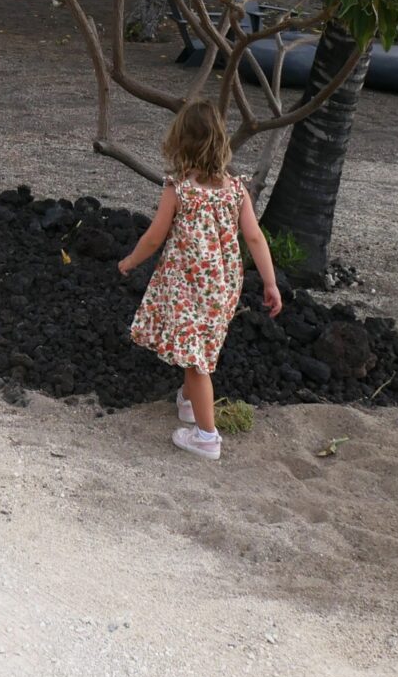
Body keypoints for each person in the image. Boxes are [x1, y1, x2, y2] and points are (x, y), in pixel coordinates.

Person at [118, 98, 283, 461]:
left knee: (196, 361)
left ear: (180, 143)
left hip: (188, 288)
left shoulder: (178, 189)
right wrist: (270, 282)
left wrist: (131, 259)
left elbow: (154, 237)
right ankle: (190, 404)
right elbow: (254, 237)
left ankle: (207, 437)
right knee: (201, 347)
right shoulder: (237, 190)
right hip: (222, 288)